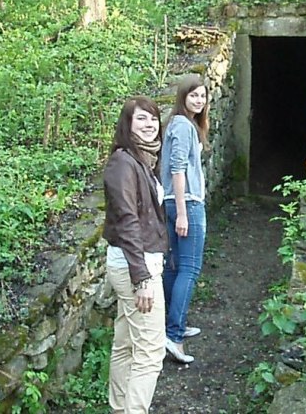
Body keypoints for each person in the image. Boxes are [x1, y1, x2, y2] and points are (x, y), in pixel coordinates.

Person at [103, 96, 168, 413]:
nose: (149, 124)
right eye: (141, 118)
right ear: (127, 124)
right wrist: (142, 278)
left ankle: (119, 408)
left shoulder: (141, 160)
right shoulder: (123, 163)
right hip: (137, 267)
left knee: (127, 344)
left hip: (132, 264)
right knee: (151, 352)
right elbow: (127, 220)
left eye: (153, 118)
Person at [161, 74, 209, 364]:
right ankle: (174, 334)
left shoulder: (183, 124)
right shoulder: (181, 124)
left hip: (175, 202)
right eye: (194, 95)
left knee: (175, 267)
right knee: (189, 269)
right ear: (183, 96)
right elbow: (177, 169)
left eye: (203, 96)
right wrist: (181, 212)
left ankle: (172, 324)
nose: (199, 100)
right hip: (186, 203)